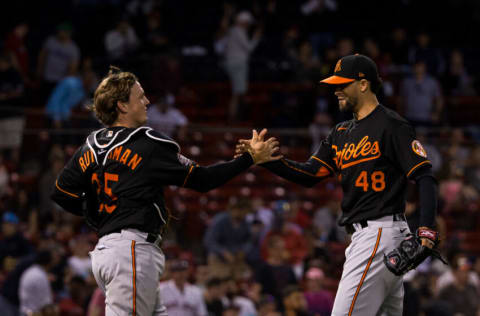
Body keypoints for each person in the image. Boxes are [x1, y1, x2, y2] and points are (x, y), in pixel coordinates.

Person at [50, 66, 280, 316]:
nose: (147, 101)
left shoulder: (90, 145)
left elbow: (62, 193)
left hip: (108, 250)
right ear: (122, 106)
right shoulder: (147, 142)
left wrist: (97, 213)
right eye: (140, 96)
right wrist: (248, 159)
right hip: (131, 252)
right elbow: (202, 180)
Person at [236, 54, 439, 315]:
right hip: (369, 237)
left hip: (378, 234)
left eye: (343, 84)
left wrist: (427, 230)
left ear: (363, 84)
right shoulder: (341, 132)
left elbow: (425, 176)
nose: (336, 90)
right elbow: (311, 174)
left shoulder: (391, 125)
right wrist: (267, 161)